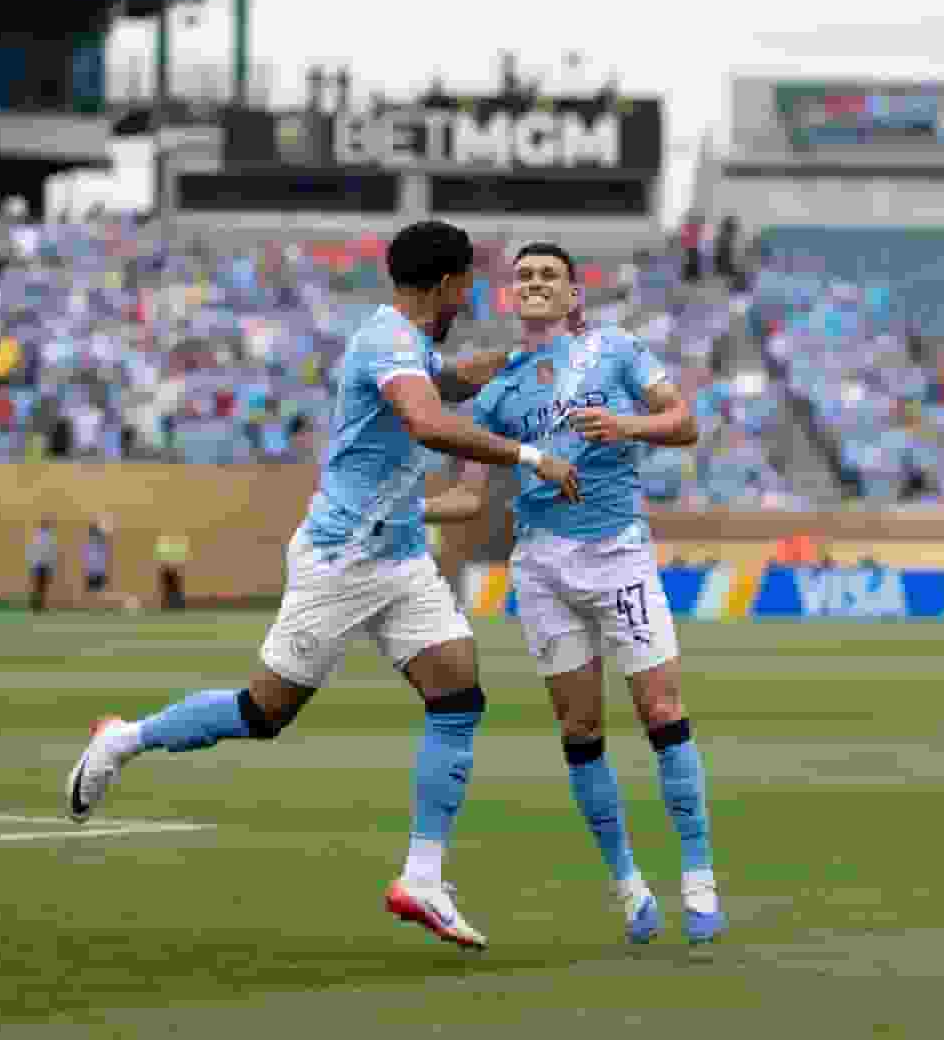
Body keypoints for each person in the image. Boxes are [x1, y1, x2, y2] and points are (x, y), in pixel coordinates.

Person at [64, 220, 580, 951]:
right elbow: (429, 421)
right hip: (340, 560)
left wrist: (526, 355)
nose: (473, 293)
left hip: (398, 557)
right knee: (262, 713)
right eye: (468, 281)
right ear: (445, 285)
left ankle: (423, 879)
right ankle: (125, 739)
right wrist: (530, 455)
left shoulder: (410, 345)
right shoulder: (385, 344)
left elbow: (449, 381)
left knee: (459, 696)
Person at [424, 241, 724, 946]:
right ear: (510, 294)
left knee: (661, 708)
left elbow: (684, 422)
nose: (534, 284)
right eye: (523, 276)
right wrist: (401, 510)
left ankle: (700, 876)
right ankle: (628, 886)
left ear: (573, 295)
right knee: (579, 729)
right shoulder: (496, 396)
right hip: (543, 570)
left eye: (548, 276)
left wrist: (628, 425)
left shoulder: (617, 351)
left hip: (618, 552)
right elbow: (468, 499)